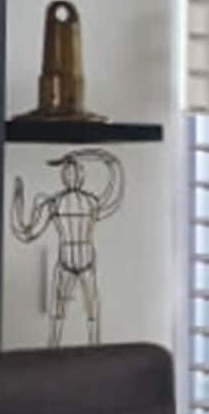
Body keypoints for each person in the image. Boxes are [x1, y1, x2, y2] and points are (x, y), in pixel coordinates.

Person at [10, 148, 124, 346]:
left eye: (75, 170)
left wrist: (93, 154)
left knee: (92, 311)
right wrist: (18, 198)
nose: (71, 175)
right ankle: (52, 353)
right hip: (65, 263)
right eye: (67, 171)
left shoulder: (90, 203)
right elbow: (26, 232)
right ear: (63, 175)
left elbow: (114, 186)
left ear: (82, 174)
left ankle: (95, 353)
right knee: (57, 313)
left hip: (87, 262)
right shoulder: (53, 203)